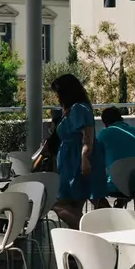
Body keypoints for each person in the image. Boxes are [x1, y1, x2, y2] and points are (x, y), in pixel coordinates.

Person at [50, 74, 102, 228]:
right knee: (74, 204)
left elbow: (87, 137)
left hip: (75, 160)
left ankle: (88, 230)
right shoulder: (73, 109)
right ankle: (80, 241)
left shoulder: (79, 109)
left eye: (59, 93)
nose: (57, 97)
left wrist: (84, 159)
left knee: (59, 203)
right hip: (69, 160)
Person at [96, 107, 135, 202]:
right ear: (121, 118)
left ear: (104, 123)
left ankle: (108, 211)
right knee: (125, 176)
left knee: (87, 186)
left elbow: (97, 163)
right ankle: (118, 208)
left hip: (115, 185)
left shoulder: (103, 134)